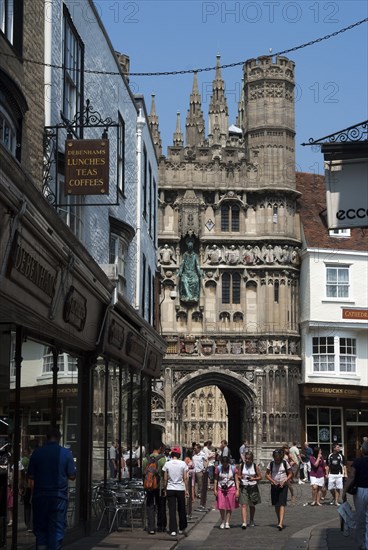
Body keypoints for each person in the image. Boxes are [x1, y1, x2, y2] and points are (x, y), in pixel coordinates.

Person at [28, 426, 76, 550]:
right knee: (56, 529)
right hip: (58, 496)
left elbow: (31, 475)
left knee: (41, 529)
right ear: (59, 438)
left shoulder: (37, 453)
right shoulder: (66, 453)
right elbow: (72, 476)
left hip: (40, 496)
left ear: (46, 438)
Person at [342, 441, 368, 550]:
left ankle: (360, 543)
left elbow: (351, 477)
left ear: (362, 450)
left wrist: (344, 491)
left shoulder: (357, 462)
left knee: (360, 518)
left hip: (361, 491)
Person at [162, 446, 189, 537]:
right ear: (179, 454)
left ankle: (173, 529)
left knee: (172, 510)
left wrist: (165, 488)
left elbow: (165, 478)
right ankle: (182, 528)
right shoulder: (183, 464)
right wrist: (187, 489)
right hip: (180, 488)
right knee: (181, 509)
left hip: (170, 488)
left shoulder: (167, 464)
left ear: (172, 454)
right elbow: (185, 478)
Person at [142, 442, 166, 535]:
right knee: (160, 505)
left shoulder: (145, 459)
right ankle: (160, 526)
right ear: (160, 448)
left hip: (149, 486)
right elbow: (164, 474)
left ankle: (151, 527)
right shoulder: (162, 459)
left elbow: (143, 472)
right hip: (159, 486)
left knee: (150, 505)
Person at [265, 449, 292, 531]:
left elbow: (290, 473)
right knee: (276, 504)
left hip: (283, 485)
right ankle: (279, 519)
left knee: (282, 503)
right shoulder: (271, 464)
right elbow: (266, 474)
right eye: (275, 458)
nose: (277, 459)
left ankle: (280, 523)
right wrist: (273, 481)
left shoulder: (284, 463)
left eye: (278, 458)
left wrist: (285, 480)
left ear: (280, 457)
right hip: (274, 486)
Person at [214, 455, 239, 529]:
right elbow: (216, 479)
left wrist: (237, 490)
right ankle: (222, 521)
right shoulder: (218, 468)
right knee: (221, 505)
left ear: (228, 463)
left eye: (226, 464)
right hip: (220, 487)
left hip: (231, 487)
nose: (225, 466)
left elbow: (236, 480)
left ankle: (227, 521)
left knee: (229, 505)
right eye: (223, 464)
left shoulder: (233, 468)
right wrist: (215, 489)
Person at [238, 451, 262, 528]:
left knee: (252, 505)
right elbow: (238, 475)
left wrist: (253, 478)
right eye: (246, 459)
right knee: (244, 504)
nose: (247, 460)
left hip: (253, 487)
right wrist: (240, 477)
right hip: (244, 486)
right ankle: (244, 522)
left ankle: (251, 520)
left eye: (248, 459)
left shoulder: (255, 466)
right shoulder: (241, 466)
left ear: (252, 459)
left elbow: (260, 477)